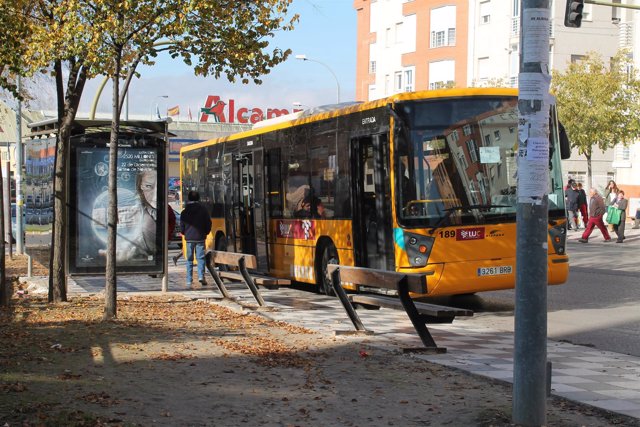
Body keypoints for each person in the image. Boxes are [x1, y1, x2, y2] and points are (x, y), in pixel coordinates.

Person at [180, 191, 212, 288]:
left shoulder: (184, 211)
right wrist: (205, 232)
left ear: (189, 198)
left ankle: (189, 280)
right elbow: (208, 223)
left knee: (189, 260)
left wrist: (184, 232)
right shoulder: (203, 210)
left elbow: (182, 225)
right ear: (198, 199)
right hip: (200, 238)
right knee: (200, 258)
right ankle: (201, 276)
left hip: (189, 239)